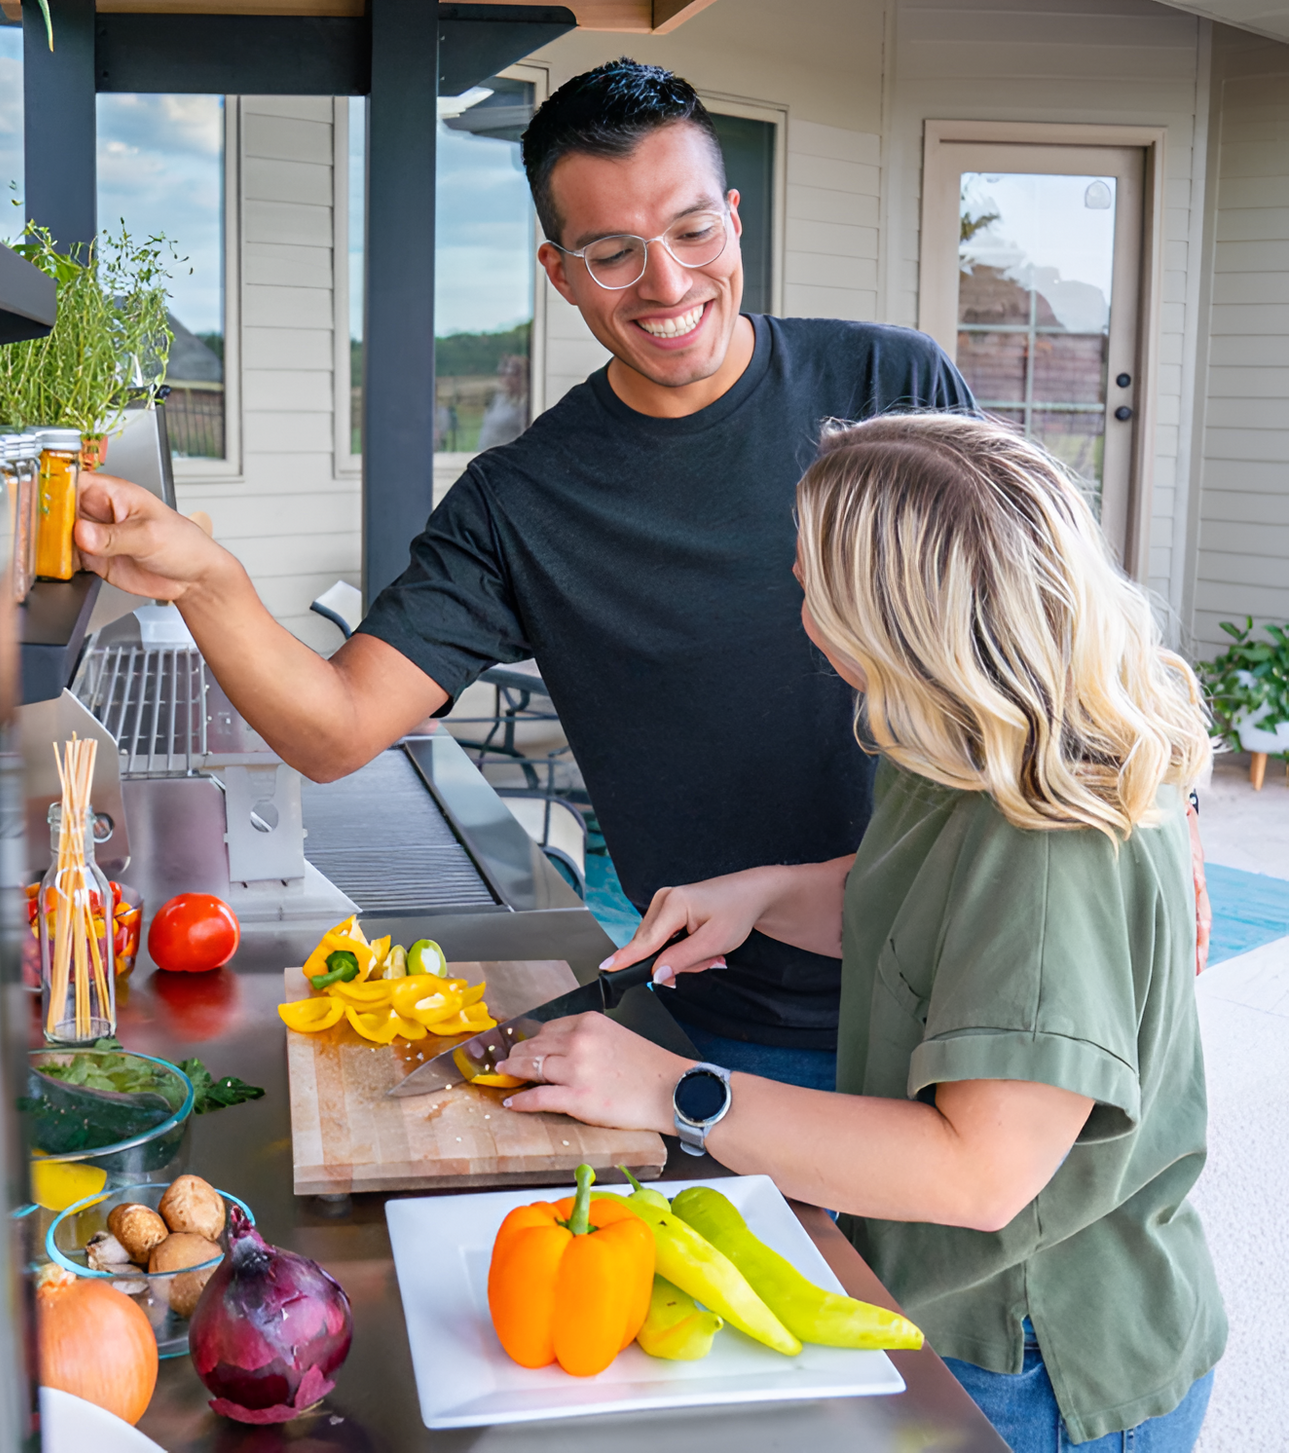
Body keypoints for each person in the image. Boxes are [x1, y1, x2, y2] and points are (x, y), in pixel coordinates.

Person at [74, 61, 972, 1090]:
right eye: (611, 254)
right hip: (732, 1016)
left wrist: (1156, 801)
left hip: (964, 975)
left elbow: (1057, 634)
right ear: (557, 271)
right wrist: (209, 582)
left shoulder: (891, 385)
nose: (667, 284)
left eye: (690, 233)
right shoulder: (521, 500)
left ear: (732, 219)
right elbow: (334, 729)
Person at [496, 413, 1225, 1451]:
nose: (800, 615)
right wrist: (759, 895)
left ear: (898, 617)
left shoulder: (1047, 848)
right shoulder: (971, 741)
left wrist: (668, 1091)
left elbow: (977, 1174)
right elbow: (929, 915)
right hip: (945, 1302)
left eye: (812, 590)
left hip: (1032, 1358)